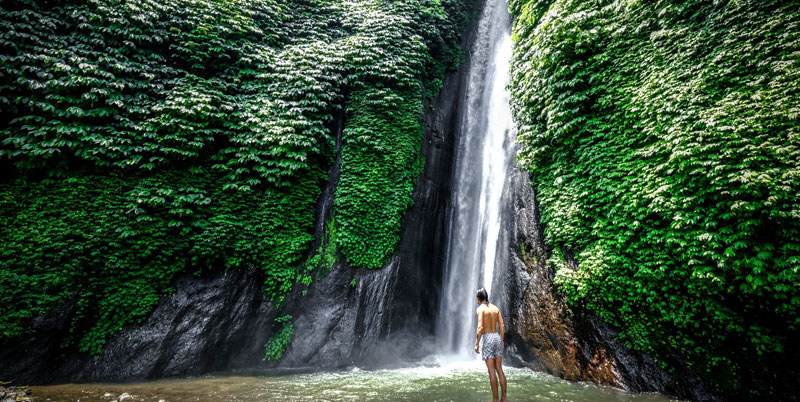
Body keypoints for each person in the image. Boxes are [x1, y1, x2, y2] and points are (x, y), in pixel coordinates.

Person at [474, 288, 507, 402]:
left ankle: (495, 399)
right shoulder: (495, 308)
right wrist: (501, 339)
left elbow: (480, 328)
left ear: (479, 298)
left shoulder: (480, 309)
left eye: (476, 298)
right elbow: (502, 326)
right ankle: (504, 398)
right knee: (499, 369)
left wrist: (477, 343)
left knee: (491, 371)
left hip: (488, 338)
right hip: (496, 336)